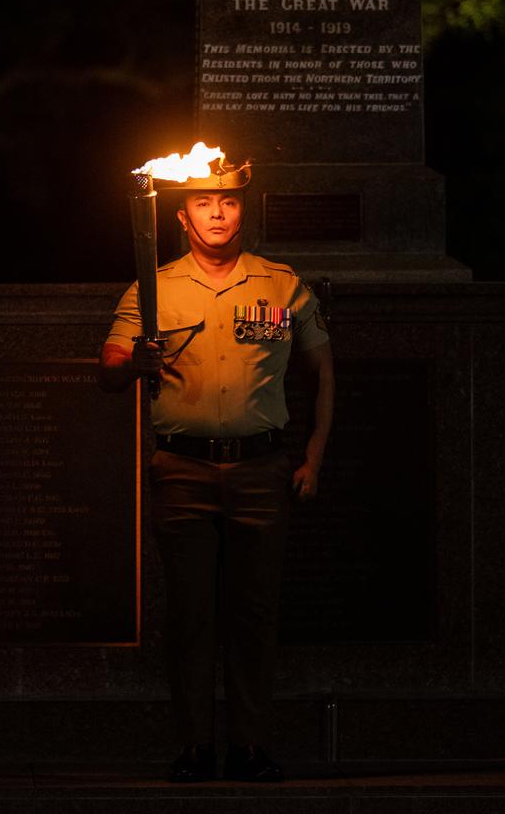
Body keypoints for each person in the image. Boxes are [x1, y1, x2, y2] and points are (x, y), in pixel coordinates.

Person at [99, 158, 334, 782]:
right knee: (191, 616)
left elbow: (324, 370)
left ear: (243, 211)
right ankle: (196, 747)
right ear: (182, 216)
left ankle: (249, 746)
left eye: (228, 203)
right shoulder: (155, 286)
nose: (217, 214)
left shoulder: (281, 284)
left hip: (261, 468)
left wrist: (313, 454)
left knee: (254, 616)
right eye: (204, 204)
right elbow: (109, 366)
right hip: (183, 468)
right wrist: (134, 362)